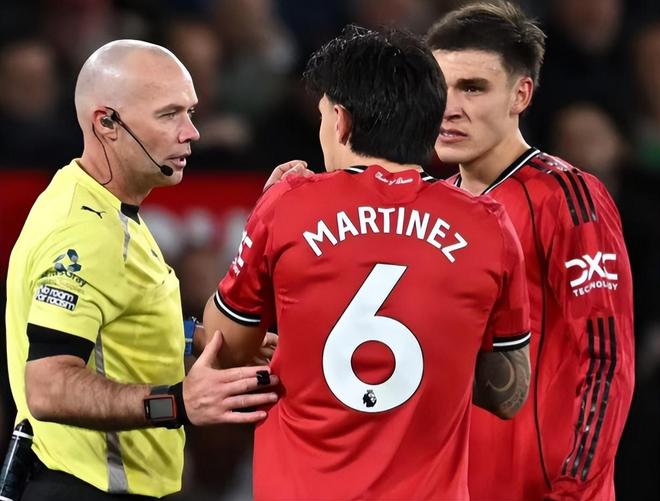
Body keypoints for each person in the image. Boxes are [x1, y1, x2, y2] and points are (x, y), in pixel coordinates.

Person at [203, 25, 532, 500]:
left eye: (322, 116)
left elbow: (224, 352)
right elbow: (509, 395)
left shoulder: (288, 205)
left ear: (340, 121)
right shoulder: (488, 226)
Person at [4, 39, 281, 501]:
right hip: (86, 488)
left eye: (190, 112)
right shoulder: (87, 233)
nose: (191, 132)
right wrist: (179, 402)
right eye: (169, 114)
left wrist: (196, 338)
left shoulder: (94, 198)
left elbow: (110, 323)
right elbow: (48, 386)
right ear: (106, 123)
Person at [426, 2, 635, 500]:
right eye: (439, 87)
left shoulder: (567, 198)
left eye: (472, 87)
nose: (448, 108)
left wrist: (575, 492)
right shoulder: (428, 209)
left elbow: (606, 359)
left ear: (520, 94)